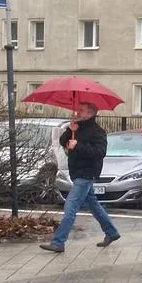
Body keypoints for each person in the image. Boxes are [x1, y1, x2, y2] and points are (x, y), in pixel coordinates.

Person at [40, 103, 120, 253]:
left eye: (81, 110)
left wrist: (78, 146)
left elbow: (99, 152)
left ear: (90, 114)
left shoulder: (98, 132)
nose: (77, 112)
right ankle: (111, 232)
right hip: (76, 172)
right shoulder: (77, 128)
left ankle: (58, 242)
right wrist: (70, 130)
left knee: (70, 206)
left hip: (87, 173)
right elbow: (63, 142)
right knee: (93, 204)